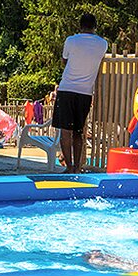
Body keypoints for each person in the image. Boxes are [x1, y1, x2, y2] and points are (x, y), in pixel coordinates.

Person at [52, 13, 107, 173]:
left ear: (80, 26)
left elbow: (64, 60)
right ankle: (77, 167)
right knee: (78, 131)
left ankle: (69, 166)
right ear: (95, 27)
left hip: (67, 88)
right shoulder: (102, 44)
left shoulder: (71, 40)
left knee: (65, 131)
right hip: (85, 92)